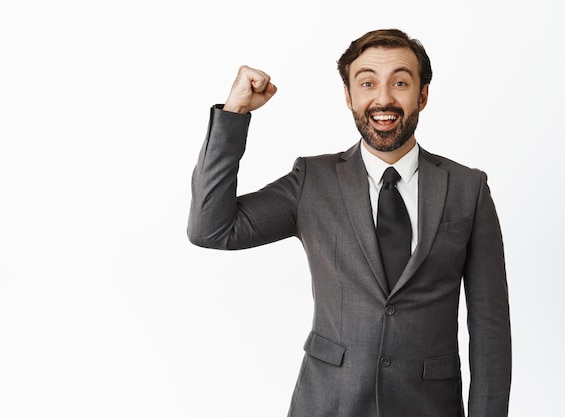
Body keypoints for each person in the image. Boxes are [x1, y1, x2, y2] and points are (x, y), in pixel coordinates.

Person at [188, 28, 511, 417]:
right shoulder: (313, 180)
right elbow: (211, 228)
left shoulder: (467, 188)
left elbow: (490, 329)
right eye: (367, 83)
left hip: (428, 406)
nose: (383, 98)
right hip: (328, 403)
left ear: (422, 95)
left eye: (401, 82)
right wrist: (234, 111)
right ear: (349, 96)